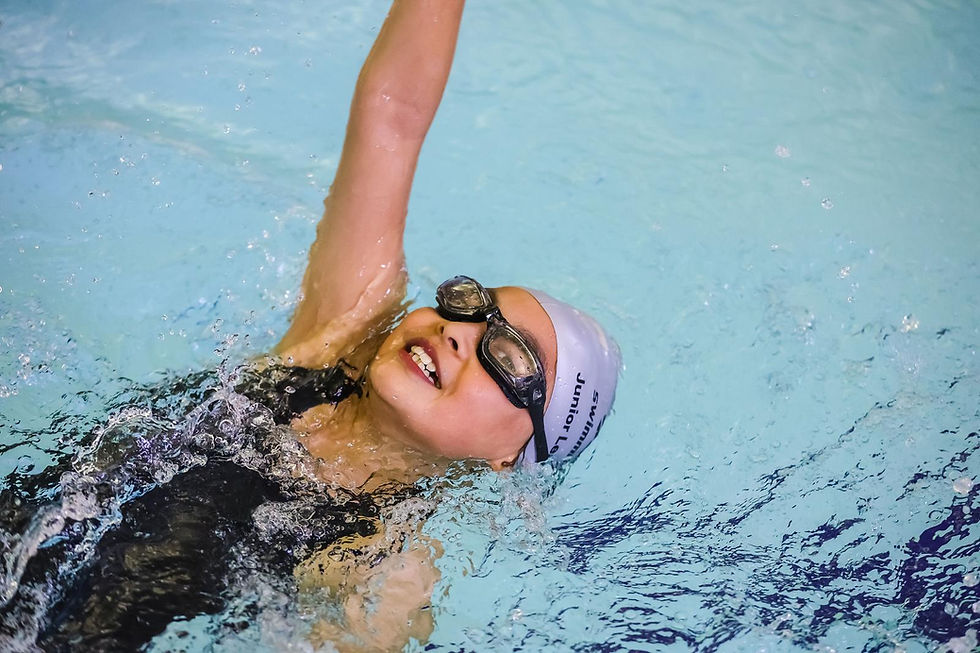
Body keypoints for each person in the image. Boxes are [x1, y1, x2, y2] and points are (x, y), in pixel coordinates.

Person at [0, 1, 620, 651]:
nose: (458, 332)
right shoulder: (336, 337)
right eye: (469, 302)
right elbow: (394, 115)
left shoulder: (384, 554)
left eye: (510, 358)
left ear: (507, 456)